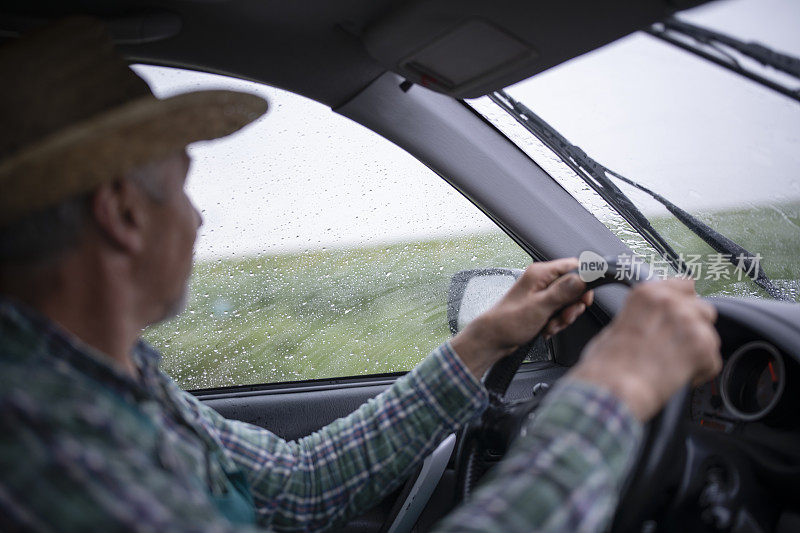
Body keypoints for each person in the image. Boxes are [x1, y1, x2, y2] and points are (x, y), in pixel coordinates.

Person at [0, 17, 722, 532]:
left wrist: (484, 341)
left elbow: (295, 486)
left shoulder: (106, 379)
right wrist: (612, 394)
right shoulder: (44, 443)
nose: (197, 220)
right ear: (122, 212)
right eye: (184, 186)